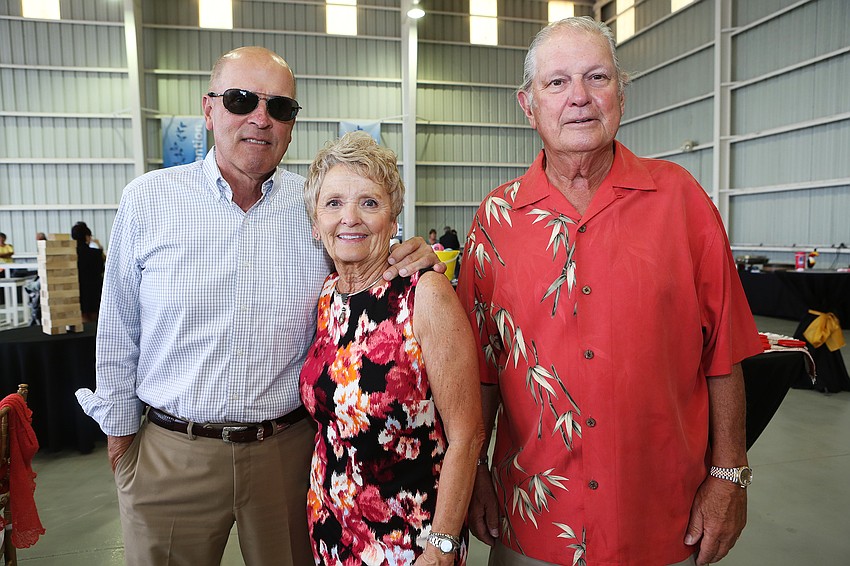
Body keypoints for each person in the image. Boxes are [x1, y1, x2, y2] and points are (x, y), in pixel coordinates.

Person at [75, 46, 441, 566]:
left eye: (280, 108)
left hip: (288, 454)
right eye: (241, 100)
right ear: (209, 109)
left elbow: (369, 266)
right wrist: (121, 440)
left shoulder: (317, 206)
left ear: (292, 123)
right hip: (173, 453)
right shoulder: (148, 201)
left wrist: (415, 256)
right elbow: (118, 328)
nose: (260, 119)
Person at [455, 17, 763, 566]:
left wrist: (730, 476)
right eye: (557, 82)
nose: (579, 98)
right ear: (528, 105)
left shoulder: (682, 202)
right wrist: (472, 472)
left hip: (664, 518)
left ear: (621, 94)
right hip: (534, 519)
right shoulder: (495, 220)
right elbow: (479, 368)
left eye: (596, 77)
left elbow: (725, 351)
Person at [300, 131, 483, 565]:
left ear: (393, 218)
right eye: (333, 203)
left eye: (369, 202)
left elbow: (468, 435)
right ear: (315, 223)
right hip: (331, 532)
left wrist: (441, 546)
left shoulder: (425, 295)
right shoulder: (328, 297)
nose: (350, 218)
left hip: (408, 542)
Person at [70, 221, 105, 322]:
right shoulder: (96, 254)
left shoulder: (70, 255)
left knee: (82, 318)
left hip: (77, 291)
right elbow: (101, 269)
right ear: (87, 237)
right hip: (94, 290)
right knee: (94, 319)